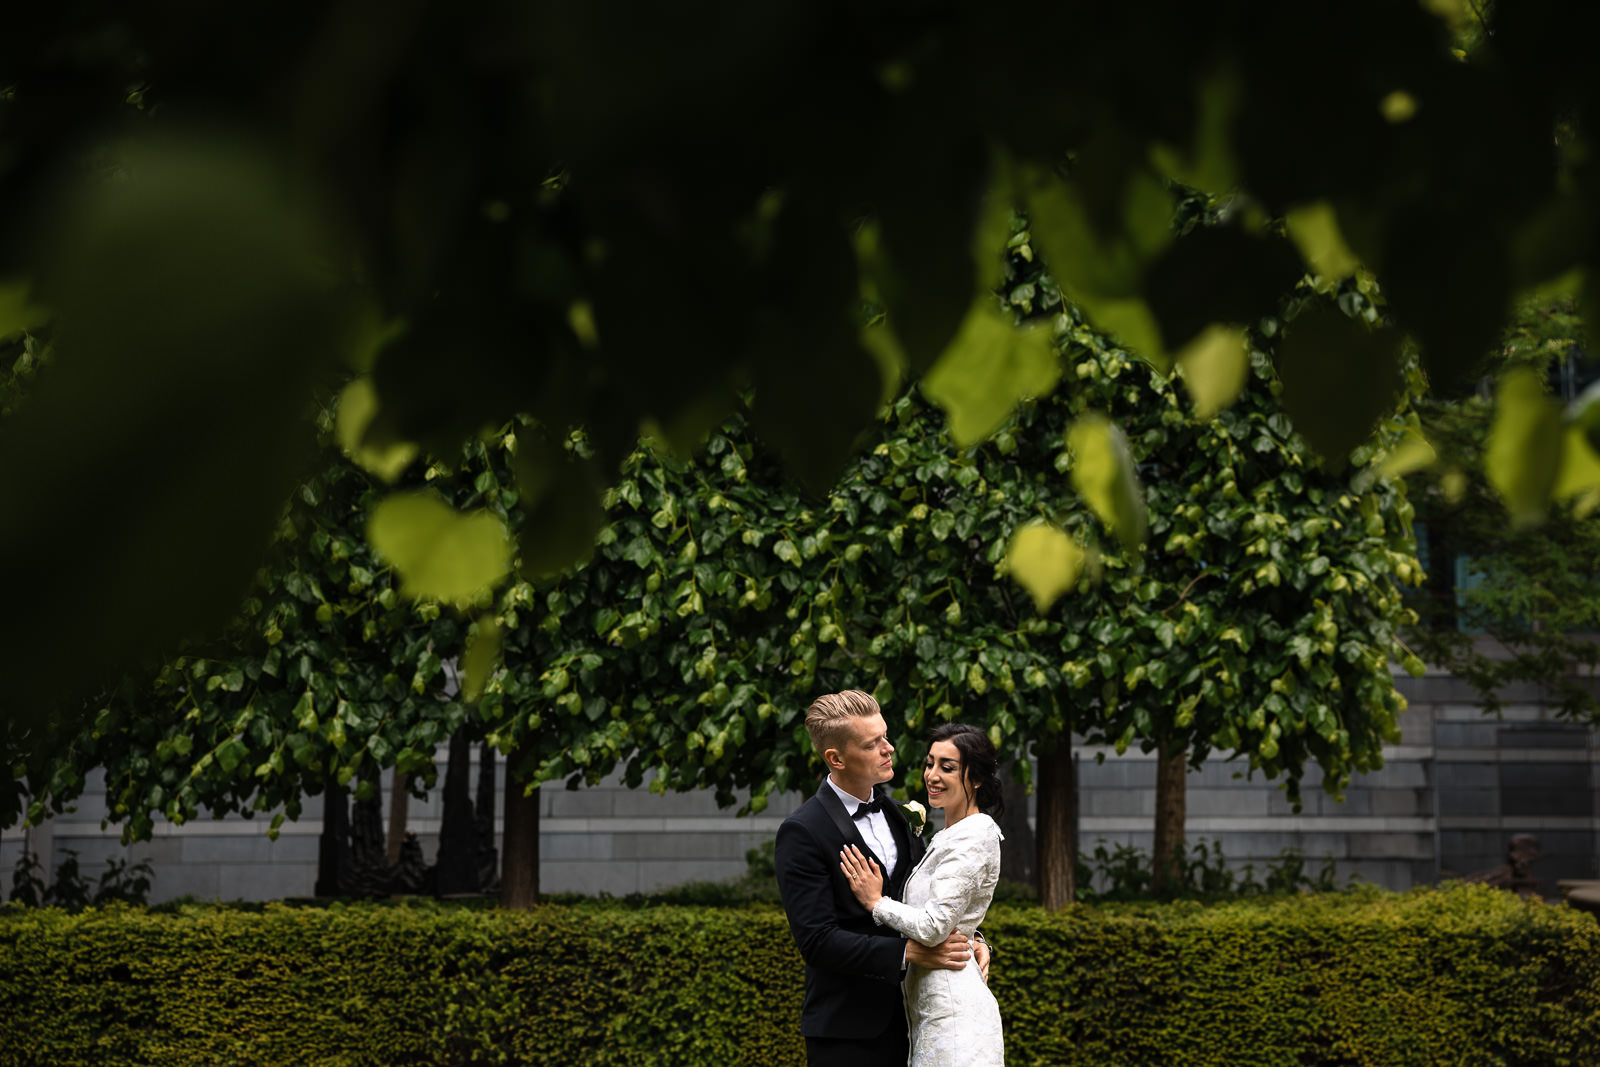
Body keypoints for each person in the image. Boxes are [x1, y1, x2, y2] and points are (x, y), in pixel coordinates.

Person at [775, 691, 990, 1067]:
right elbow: (817, 941)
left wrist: (973, 938)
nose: (888, 749)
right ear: (836, 758)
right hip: (847, 1032)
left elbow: (932, 898)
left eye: (885, 737)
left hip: (916, 1020)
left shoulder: (897, 813)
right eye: (872, 744)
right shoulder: (802, 831)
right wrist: (909, 953)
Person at [839, 721, 1006, 1067]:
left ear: (975, 778)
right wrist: (974, 936)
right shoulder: (950, 834)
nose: (932, 775)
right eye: (930, 763)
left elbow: (933, 926)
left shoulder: (975, 835)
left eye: (948, 767)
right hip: (927, 1012)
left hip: (955, 1018)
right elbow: (952, 908)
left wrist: (876, 902)